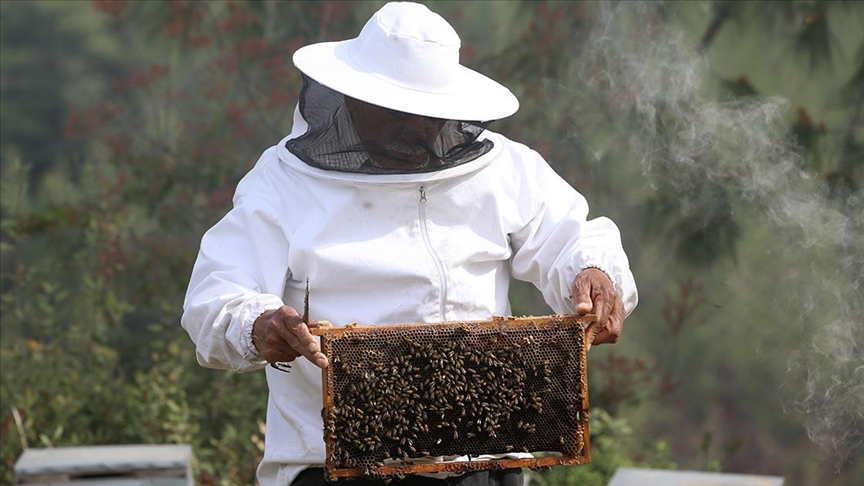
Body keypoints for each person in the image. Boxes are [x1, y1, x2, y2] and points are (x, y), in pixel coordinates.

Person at [181, 2, 638, 485]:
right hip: (336, 472)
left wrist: (593, 273)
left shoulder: (503, 170)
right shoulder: (282, 185)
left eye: (430, 114)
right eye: (397, 111)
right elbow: (215, 296)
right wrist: (258, 325)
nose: (417, 130)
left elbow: (572, 237)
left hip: (485, 468)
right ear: (351, 98)